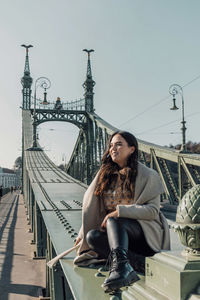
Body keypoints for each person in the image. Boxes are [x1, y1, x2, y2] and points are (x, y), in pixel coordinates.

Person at [74, 131, 170, 293]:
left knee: (114, 221)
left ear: (132, 149)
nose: (113, 148)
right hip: (118, 238)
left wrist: (119, 212)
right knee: (92, 237)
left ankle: (120, 268)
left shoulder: (148, 175)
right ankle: (133, 263)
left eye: (118, 144)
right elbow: (94, 209)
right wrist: (82, 233)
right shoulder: (104, 176)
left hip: (143, 235)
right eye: (111, 145)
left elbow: (153, 212)